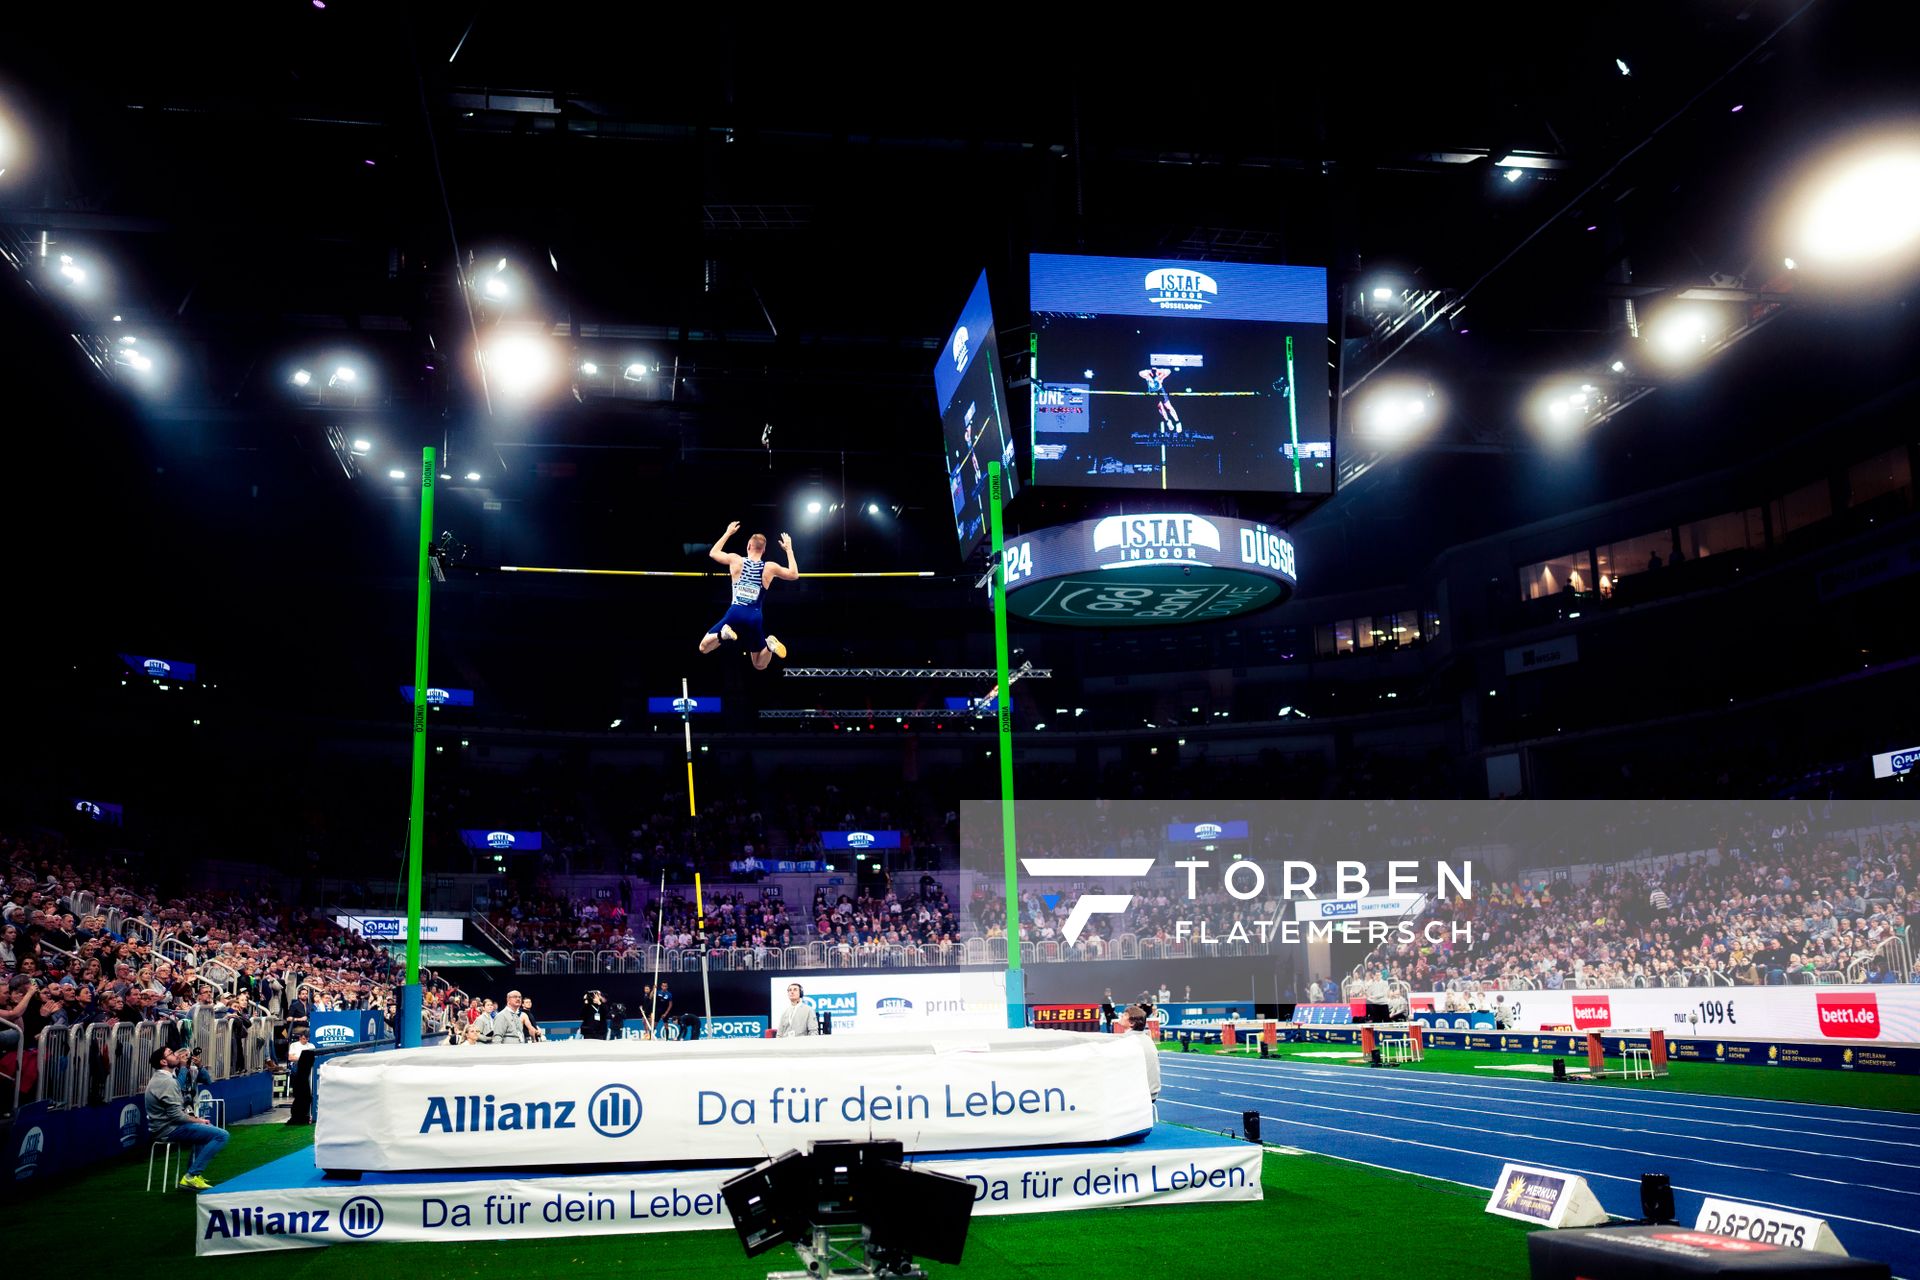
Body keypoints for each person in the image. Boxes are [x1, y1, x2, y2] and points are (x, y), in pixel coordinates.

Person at [698, 523, 798, 669]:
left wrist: (728, 533)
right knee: (759, 664)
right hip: (755, 617)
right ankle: (769, 646)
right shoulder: (770, 567)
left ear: (748, 546)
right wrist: (789, 549)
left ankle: (723, 635)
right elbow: (794, 574)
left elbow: (713, 553)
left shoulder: (736, 560)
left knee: (703, 648)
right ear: (763, 550)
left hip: (735, 612)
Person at [146, 1046, 228, 1190]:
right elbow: (176, 1116)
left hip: (170, 1125)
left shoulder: (165, 1078)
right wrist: (198, 1120)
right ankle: (191, 1176)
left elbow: (208, 1080)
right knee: (222, 1135)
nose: (177, 1056)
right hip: (169, 1129)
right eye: (171, 1054)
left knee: (205, 1130)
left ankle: (193, 1175)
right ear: (163, 1062)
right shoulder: (166, 1081)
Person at [1118, 1005, 1161, 1102]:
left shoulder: (1128, 1041)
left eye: (1124, 1015)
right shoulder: (1147, 1039)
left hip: (1140, 1096)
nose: (1121, 1015)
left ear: (1132, 1023)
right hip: (1152, 1093)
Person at [1139, 366, 1182, 433]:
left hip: (1160, 390)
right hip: (1153, 392)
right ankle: (1168, 421)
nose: (1153, 372)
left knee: (1168, 406)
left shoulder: (1159, 372)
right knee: (1160, 408)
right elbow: (1140, 373)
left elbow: (1169, 371)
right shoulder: (1147, 374)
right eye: (1152, 371)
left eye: (1155, 371)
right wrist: (1148, 376)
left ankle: (1178, 422)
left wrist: (1161, 376)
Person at [286, 1027, 314, 1125]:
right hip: (297, 1067)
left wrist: (300, 1059)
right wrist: (301, 1059)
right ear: (300, 1038)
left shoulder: (311, 1046)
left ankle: (304, 1115)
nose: (305, 1040)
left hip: (307, 1068)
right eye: (303, 1038)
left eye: (307, 1038)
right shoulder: (294, 1045)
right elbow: (291, 1057)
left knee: (306, 1095)